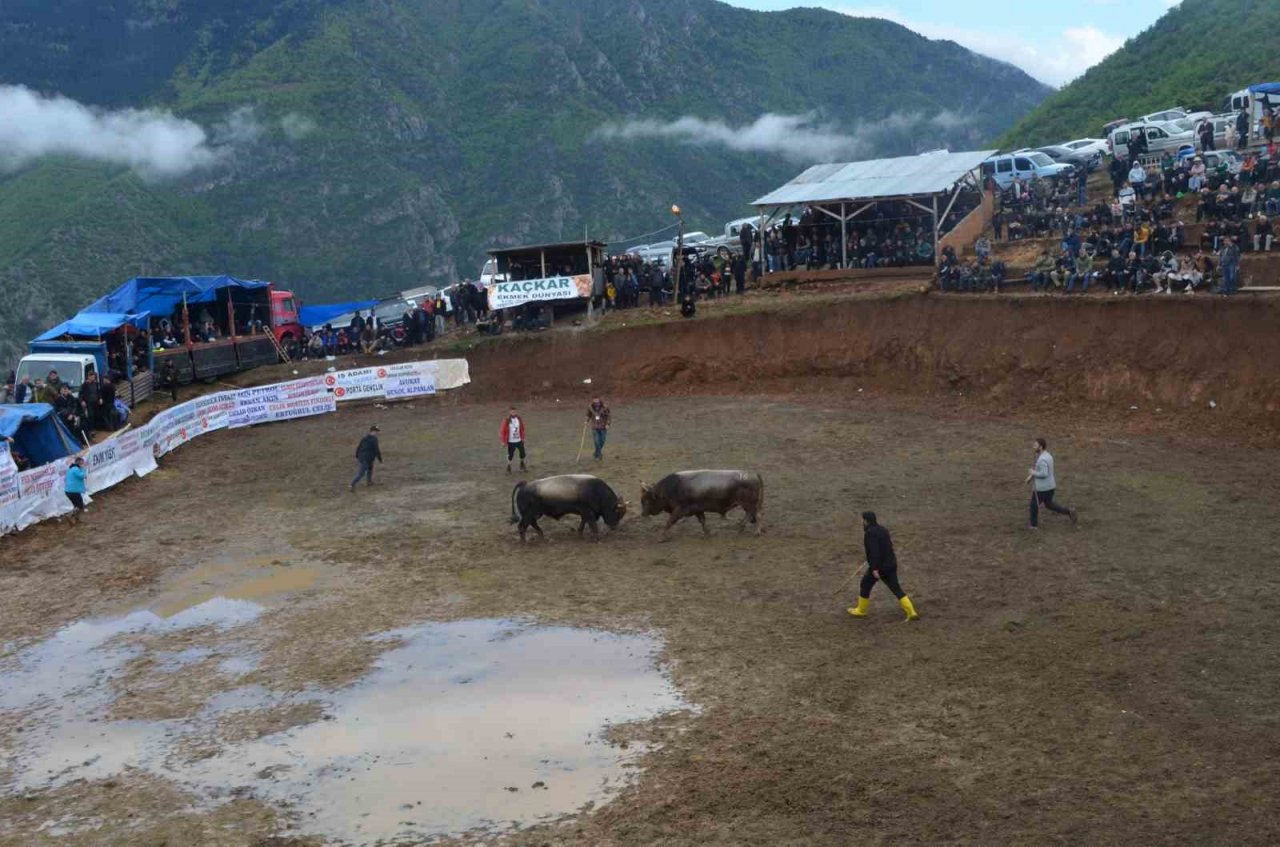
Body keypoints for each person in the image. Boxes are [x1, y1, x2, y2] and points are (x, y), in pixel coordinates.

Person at [847, 512, 919, 621]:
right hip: (891, 563)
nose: (861, 522)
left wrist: (874, 568)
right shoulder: (883, 530)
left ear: (866, 521)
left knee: (865, 584)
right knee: (896, 588)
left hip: (880, 567)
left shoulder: (870, 533)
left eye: (862, 520)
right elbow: (888, 546)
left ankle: (861, 610)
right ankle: (911, 611)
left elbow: (875, 551)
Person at [1027, 437, 1077, 529]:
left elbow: (1044, 473)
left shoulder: (1042, 459)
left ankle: (1033, 525)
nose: (1033, 447)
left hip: (1042, 488)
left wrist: (1033, 473)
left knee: (1034, 505)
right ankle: (1068, 511)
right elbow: (1043, 470)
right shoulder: (1048, 455)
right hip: (1050, 486)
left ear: (1041, 447)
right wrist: (1031, 476)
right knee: (1049, 504)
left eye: (1035, 445)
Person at [350, 425, 382, 491]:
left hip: (364, 457)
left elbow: (359, 446)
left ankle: (369, 482)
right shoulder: (374, 439)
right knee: (361, 473)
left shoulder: (365, 438)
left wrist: (357, 455)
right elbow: (376, 450)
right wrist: (380, 459)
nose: (377, 433)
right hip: (366, 458)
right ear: (372, 431)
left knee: (370, 468)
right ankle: (352, 484)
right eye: (376, 431)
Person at [501, 407, 526, 473]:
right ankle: (509, 466)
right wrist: (503, 441)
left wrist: (523, 438)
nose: (513, 413)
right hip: (511, 441)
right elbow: (503, 431)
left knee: (523, 453)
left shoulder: (519, 419)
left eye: (514, 411)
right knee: (510, 455)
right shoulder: (507, 420)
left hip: (519, 440)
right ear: (510, 412)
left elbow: (522, 429)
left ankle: (522, 464)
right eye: (512, 412)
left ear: (516, 412)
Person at [587, 396, 611, 461]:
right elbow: (588, 415)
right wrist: (586, 420)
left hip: (603, 426)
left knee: (602, 440)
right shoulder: (590, 407)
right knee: (596, 441)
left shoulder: (605, 407)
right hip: (594, 426)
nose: (596, 401)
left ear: (599, 400)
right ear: (593, 400)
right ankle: (599, 455)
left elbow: (608, 416)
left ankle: (596, 452)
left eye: (597, 399)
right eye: (595, 400)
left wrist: (608, 424)